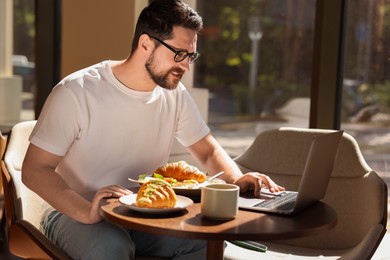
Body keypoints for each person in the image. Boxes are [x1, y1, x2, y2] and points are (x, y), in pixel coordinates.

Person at [22, 0, 285, 259]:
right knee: (110, 249)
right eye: (179, 54)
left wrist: (236, 180)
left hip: (143, 211)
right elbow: (35, 170)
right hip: (75, 213)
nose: (186, 66)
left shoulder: (175, 94)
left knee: (206, 243)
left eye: (191, 55)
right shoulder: (76, 92)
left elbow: (206, 150)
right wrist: (85, 211)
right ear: (145, 44)